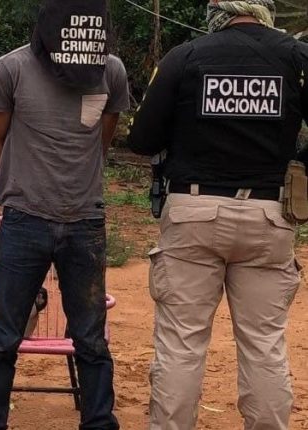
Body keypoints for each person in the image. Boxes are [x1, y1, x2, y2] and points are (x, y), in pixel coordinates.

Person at [127, 1, 308, 429]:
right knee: (264, 344)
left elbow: (142, 138)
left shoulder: (186, 56)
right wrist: (300, 162)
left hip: (192, 212)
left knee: (181, 343)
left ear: (218, 13)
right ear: (263, 10)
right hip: (269, 213)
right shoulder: (296, 57)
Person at [0, 0, 129, 428]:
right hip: (25, 220)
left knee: (91, 339)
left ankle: (98, 422)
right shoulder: (12, 68)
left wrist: (74, 183)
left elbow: (101, 140)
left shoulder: (111, 71)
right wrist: (21, 188)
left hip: (85, 222)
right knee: (3, 337)